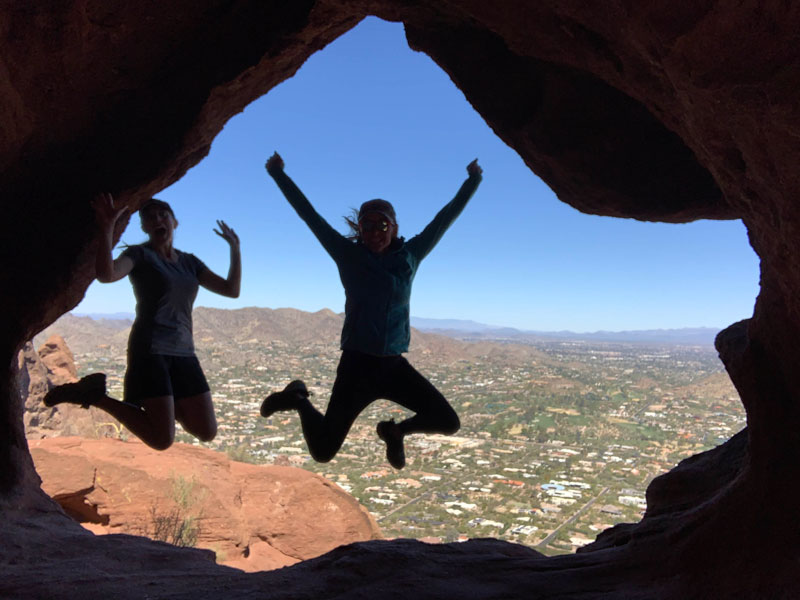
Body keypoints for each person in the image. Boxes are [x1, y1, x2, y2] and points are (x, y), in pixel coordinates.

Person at [261, 152, 482, 469]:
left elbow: (444, 219)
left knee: (448, 421)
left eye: (382, 224)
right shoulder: (347, 255)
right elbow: (309, 215)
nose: (375, 232)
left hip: (393, 367)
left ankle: (395, 432)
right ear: (359, 228)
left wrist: (472, 181)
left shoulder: (411, 256)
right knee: (323, 451)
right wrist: (278, 174)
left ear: (393, 227)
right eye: (367, 225)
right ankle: (298, 399)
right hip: (356, 368)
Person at [43, 194, 241, 451]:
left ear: (175, 222)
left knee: (207, 431)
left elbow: (231, 290)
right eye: (149, 217)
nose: (157, 219)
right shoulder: (140, 255)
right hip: (150, 350)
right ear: (145, 228)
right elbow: (107, 274)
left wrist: (235, 249)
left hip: (184, 352)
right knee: (162, 439)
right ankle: (95, 397)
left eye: (163, 214)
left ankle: (159, 405)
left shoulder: (190, 262)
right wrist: (107, 229)